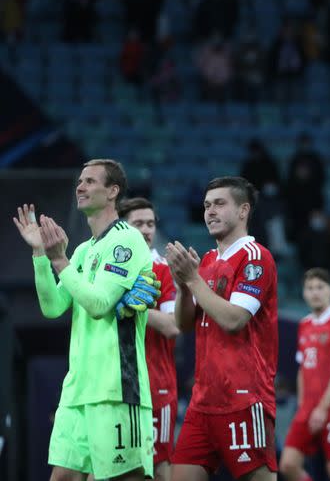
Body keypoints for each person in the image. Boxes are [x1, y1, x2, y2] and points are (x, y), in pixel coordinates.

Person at [12, 159, 160, 480]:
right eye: (80, 181)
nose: (80, 187)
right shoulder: (82, 251)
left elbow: (98, 304)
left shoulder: (127, 241)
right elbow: (52, 307)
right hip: (77, 391)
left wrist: (60, 260)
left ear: (113, 192)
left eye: (90, 181)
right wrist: (40, 255)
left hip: (117, 389)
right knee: (62, 477)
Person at [166, 176, 278, 481]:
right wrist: (183, 288)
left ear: (243, 211)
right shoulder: (208, 260)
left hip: (243, 397)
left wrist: (193, 281)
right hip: (203, 400)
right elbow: (183, 324)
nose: (210, 212)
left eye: (219, 204)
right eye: (206, 206)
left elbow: (233, 320)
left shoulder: (256, 257)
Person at [119, 197, 180, 481]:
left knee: (157, 467)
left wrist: (134, 306)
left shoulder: (163, 270)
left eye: (151, 224)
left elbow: (172, 326)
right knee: (112, 466)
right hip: (114, 386)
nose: (146, 230)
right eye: (138, 224)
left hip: (156, 384)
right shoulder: (110, 269)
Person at [280, 268, 330, 481]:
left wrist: (322, 408)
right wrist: (303, 406)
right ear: (303, 293)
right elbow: (302, 369)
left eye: (320, 287)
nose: (315, 293)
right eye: (310, 288)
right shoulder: (304, 324)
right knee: (288, 464)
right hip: (308, 408)